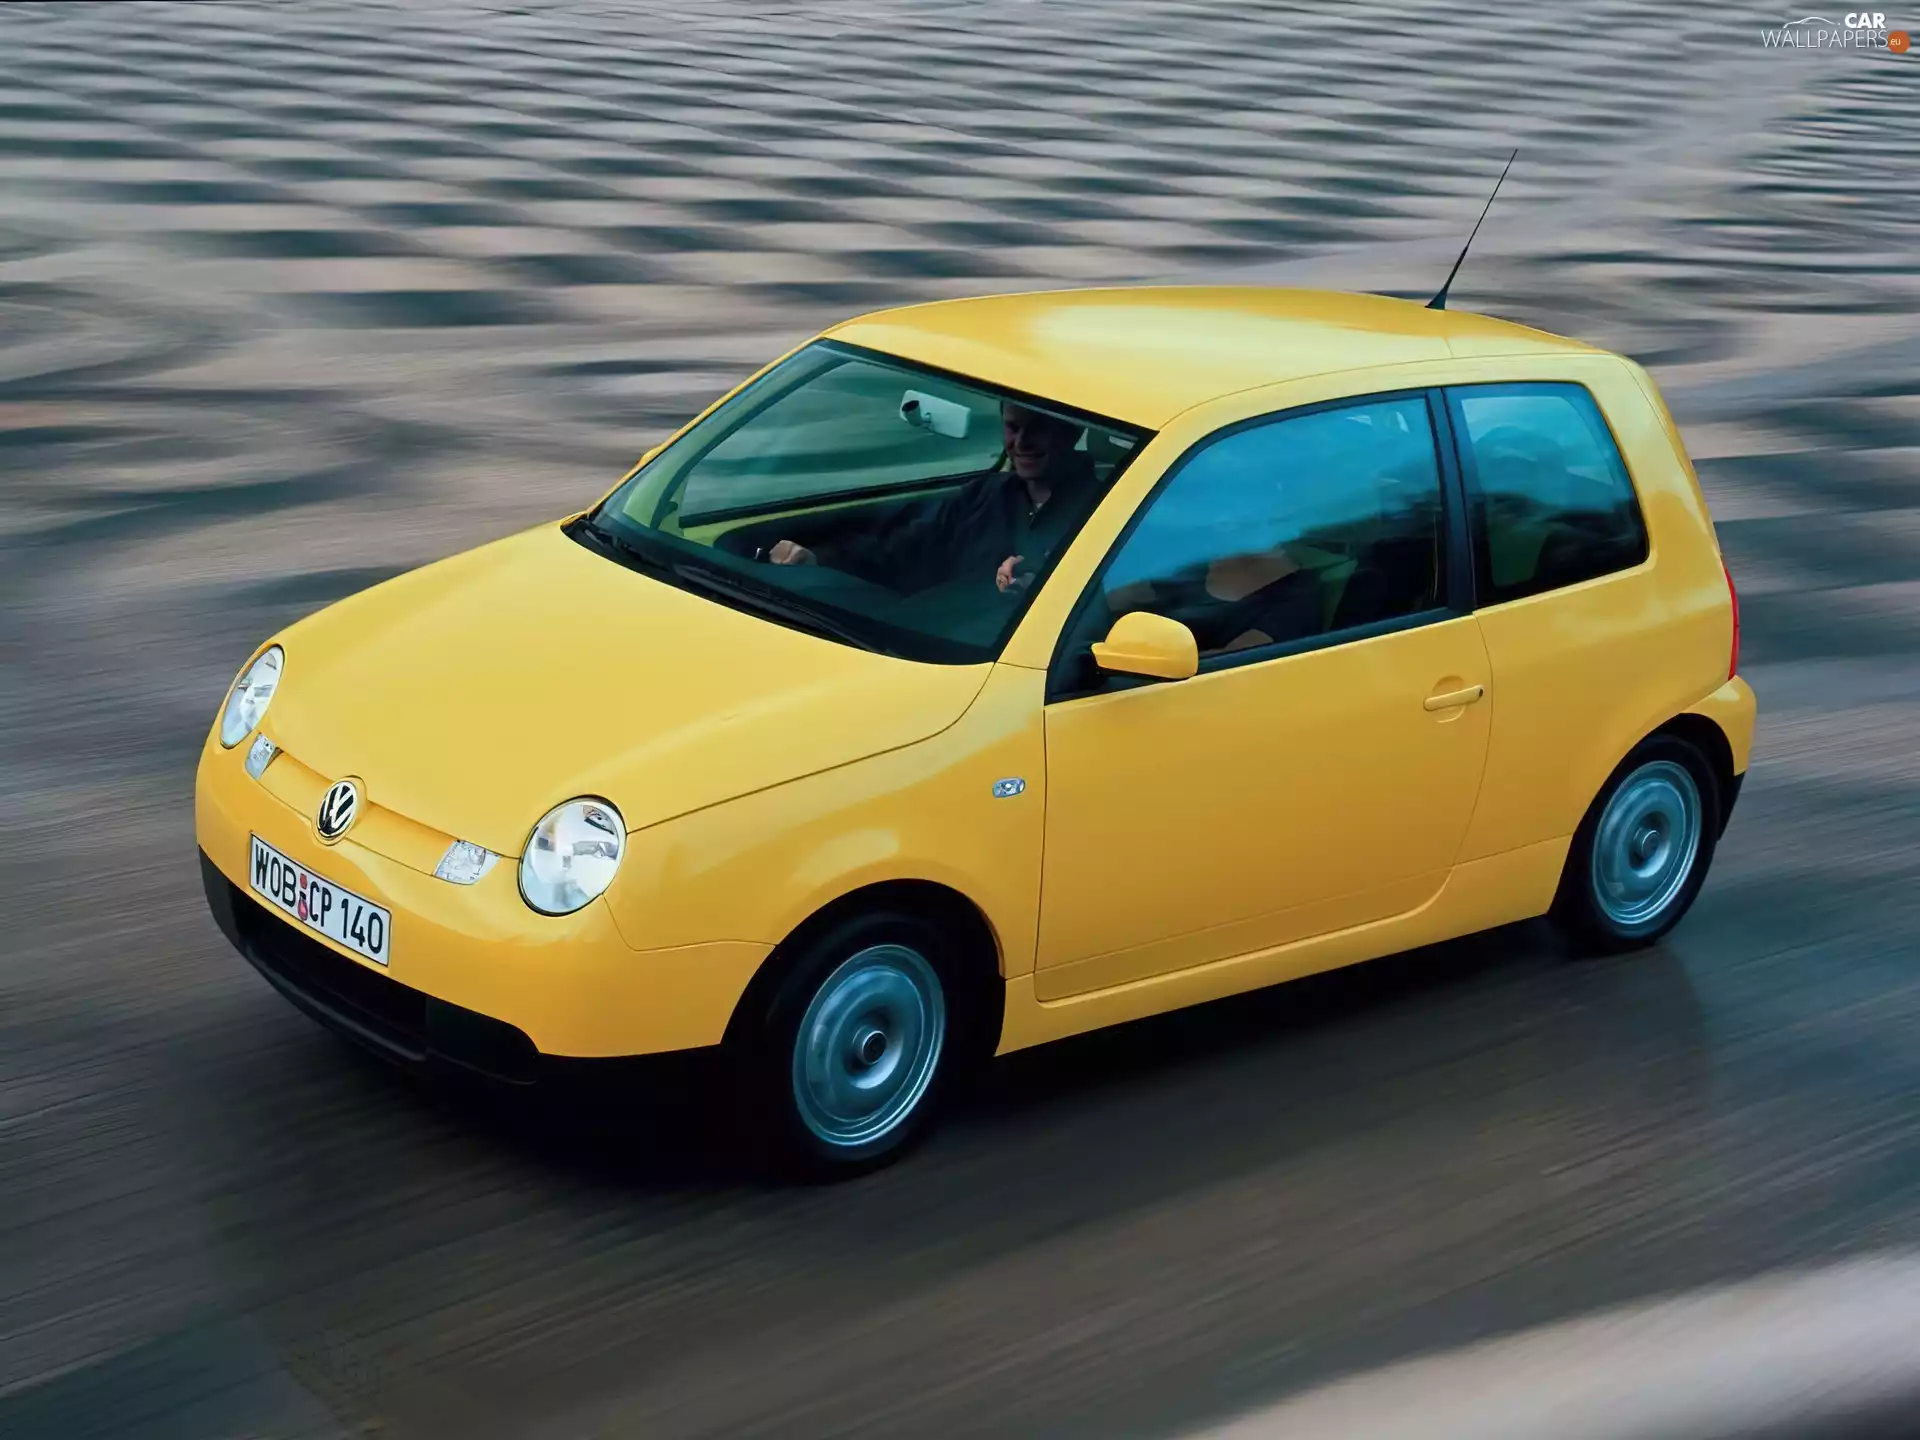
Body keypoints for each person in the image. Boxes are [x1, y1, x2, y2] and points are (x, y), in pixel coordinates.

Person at [764, 402, 1098, 596]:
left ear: (1071, 431)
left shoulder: (1104, 514)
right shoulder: (984, 494)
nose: (1021, 442)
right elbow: (905, 549)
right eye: (1012, 427)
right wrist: (818, 560)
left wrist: (1037, 592)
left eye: (1037, 429)